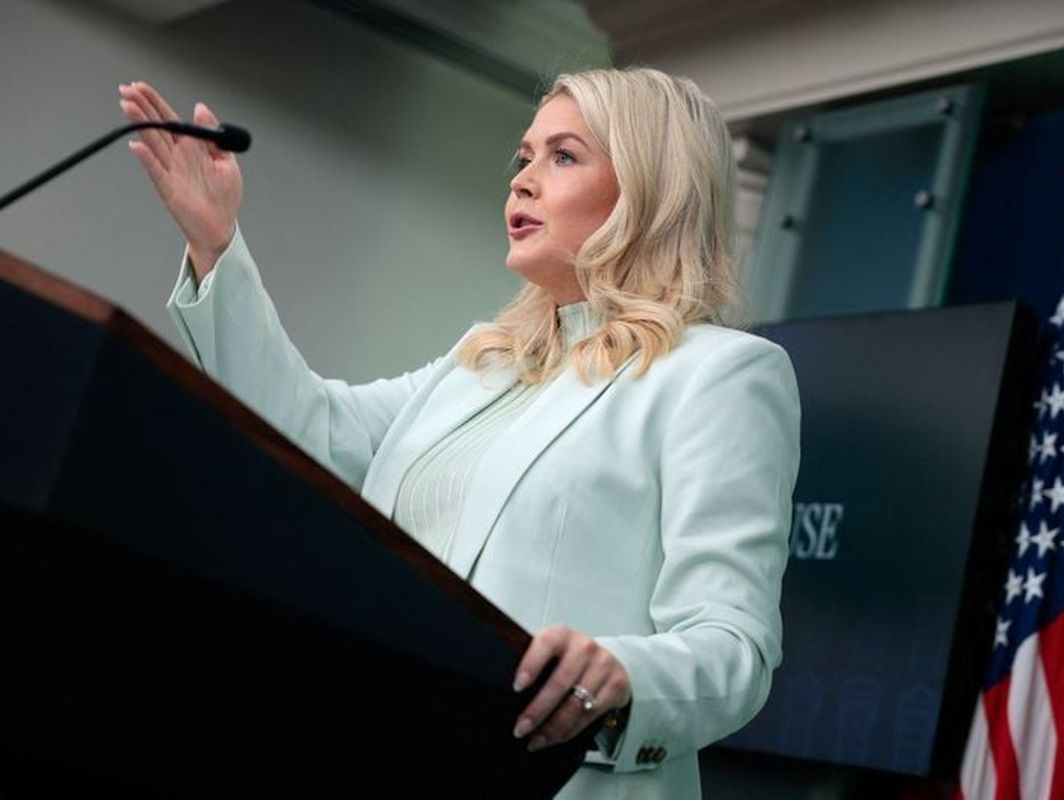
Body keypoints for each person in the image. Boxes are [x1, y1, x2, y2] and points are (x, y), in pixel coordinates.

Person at [119, 67, 800, 799]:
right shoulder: (482, 361)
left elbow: (733, 647)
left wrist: (622, 675)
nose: (523, 181)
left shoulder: (719, 374)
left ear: (649, 189)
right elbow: (301, 430)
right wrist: (217, 245)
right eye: (524, 157)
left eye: (563, 156)